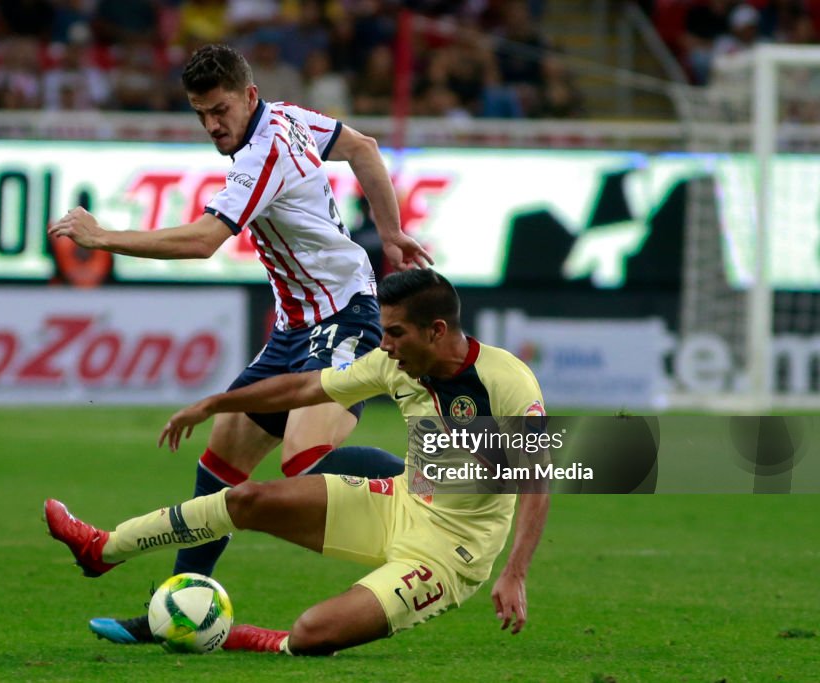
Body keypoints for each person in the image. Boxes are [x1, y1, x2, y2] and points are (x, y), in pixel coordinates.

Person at [47, 43, 432, 643]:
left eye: (219, 109)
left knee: (305, 460)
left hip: (346, 316)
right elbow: (364, 148)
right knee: (219, 468)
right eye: (201, 114)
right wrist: (390, 232)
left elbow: (204, 241)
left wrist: (101, 237)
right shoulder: (290, 118)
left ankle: (438, 490)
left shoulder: (262, 153)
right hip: (294, 328)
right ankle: (169, 614)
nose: (212, 125)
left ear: (248, 96)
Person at [45, 269, 550, 655]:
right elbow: (304, 386)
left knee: (311, 634)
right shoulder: (392, 362)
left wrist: (515, 574)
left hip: (447, 557)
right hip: (399, 502)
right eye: (383, 332)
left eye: (395, 333)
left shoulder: (506, 380)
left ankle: (264, 641)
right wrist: (216, 403)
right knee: (246, 498)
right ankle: (102, 549)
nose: (386, 346)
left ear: (437, 330)